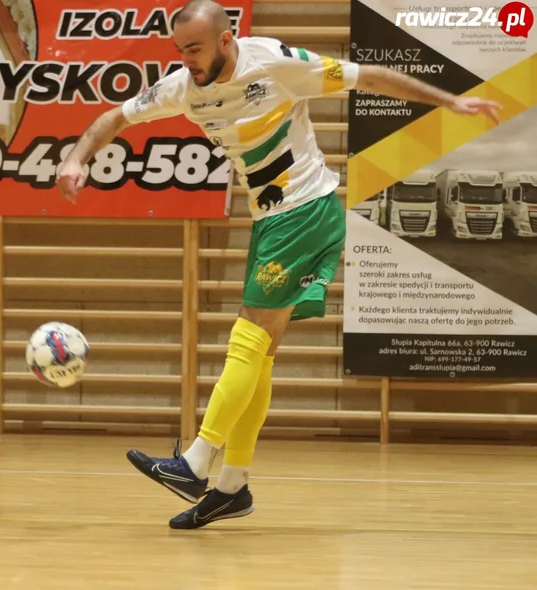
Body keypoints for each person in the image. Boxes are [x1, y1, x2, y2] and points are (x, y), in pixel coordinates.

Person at [56, 0, 501, 529]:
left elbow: (372, 78)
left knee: (247, 339)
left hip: (304, 211)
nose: (187, 60)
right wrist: (75, 157)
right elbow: (113, 117)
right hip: (275, 219)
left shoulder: (275, 64)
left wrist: (450, 101)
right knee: (261, 353)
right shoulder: (183, 86)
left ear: (226, 40)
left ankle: (196, 462)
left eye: (195, 49)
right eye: (180, 50)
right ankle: (232, 485)